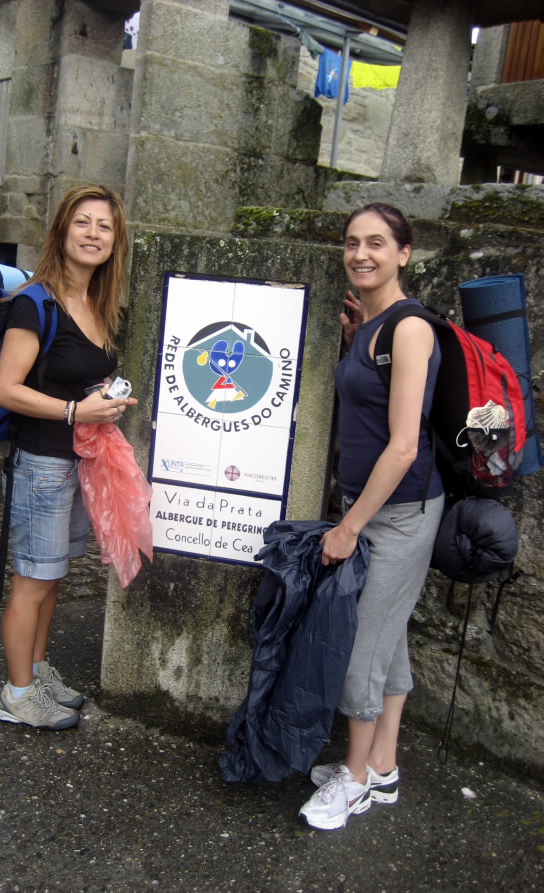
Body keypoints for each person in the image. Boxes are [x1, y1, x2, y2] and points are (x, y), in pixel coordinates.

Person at [299, 203, 445, 830]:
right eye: (353, 243)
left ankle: (354, 780)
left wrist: (350, 524)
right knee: (389, 638)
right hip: (381, 506)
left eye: (377, 243)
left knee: (361, 649)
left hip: (401, 513)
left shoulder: (410, 328)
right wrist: (358, 339)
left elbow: (405, 444)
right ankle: (382, 764)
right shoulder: (376, 325)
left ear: (404, 254)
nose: (361, 253)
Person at [0, 184, 137, 731]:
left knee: (53, 577)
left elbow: (81, 382)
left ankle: (37, 669)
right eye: (83, 222)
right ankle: (17, 694)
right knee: (33, 578)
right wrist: (79, 412)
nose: (93, 233)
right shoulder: (36, 301)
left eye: (104, 226)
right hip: (42, 465)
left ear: (114, 240)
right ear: (62, 230)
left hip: (79, 462)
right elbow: (6, 389)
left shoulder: (98, 305)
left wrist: (107, 402)